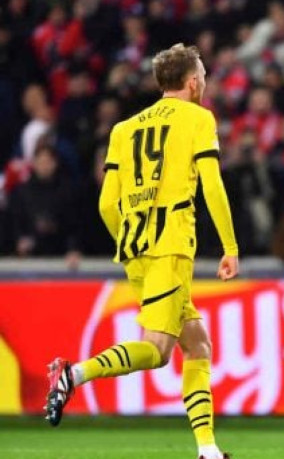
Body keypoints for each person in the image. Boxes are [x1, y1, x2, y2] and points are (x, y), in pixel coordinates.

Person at [45, 44, 239, 459]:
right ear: (192, 82)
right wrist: (230, 246)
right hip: (171, 246)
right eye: (202, 75)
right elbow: (212, 185)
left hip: (135, 248)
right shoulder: (199, 118)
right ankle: (73, 373)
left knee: (198, 346)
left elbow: (106, 205)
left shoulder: (123, 129)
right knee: (156, 350)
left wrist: (131, 242)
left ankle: (207, 449)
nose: (204, 81)